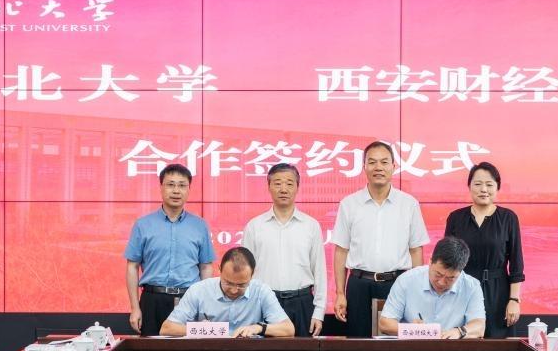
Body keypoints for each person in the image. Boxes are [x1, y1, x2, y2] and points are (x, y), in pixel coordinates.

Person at [332, 141, 430, 337]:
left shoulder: (408, 204)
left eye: (384, 162)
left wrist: (415, 292)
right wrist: (340, 294)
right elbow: (341, 251)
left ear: (393, 166)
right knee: (358, 343)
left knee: (394, 345)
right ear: (364, 167)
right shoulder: (349, 204)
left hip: (397, 284)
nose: (378, 167)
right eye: (372, 162)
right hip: (359, 284)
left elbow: (416, 251)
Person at [126, 164, 217, 336]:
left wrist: (204, 306)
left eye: (182, 185)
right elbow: (132, 266)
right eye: (170, 184)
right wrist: (134, 308)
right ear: (161, 187)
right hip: (152, 300)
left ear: (188, 190)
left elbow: (206, 267)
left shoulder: (200, 226)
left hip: (188, 300)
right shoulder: (143, 224)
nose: (176, 190)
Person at [242, 163, 327, 337]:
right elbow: (245, 273)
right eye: (277, 183)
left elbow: (319, 270)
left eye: (289, 183)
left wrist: (319, 312)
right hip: (265, 302)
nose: (283, 189)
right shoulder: (254, 226)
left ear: (297, 187)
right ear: (269, 187)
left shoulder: (311, 225)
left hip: (302, 302)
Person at [444, 162, 524, 338]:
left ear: (497, 187)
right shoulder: (456, 218)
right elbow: (447, 260)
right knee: (464, 341)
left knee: (498, 344)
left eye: (489, 184)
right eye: (478, 184)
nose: (483, 189)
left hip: (498, 291)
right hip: (463, 289)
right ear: (469, 186)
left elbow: (516, 264)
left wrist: (514, 299)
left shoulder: (508, 218)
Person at [159, 247, 294, 338]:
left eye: (241, 285)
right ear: (219, 270)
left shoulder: (261, 291)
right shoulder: (199, 290)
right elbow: (167, 328)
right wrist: (206, 331)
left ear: (252, 275)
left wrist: (259, 328)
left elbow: (288, 329)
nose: (234, 290)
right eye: (228, 283)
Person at [379, 237, 486, 339]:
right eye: (438, 274)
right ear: (430, 261)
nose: (442, 282)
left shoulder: (472, 286)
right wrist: (411, 329)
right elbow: (385, 324)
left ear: (461, 270)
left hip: (452, 349)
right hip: (413, 348)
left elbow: (479, 326)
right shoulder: (406, 280)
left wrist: (459, 332)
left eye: (451, 278)